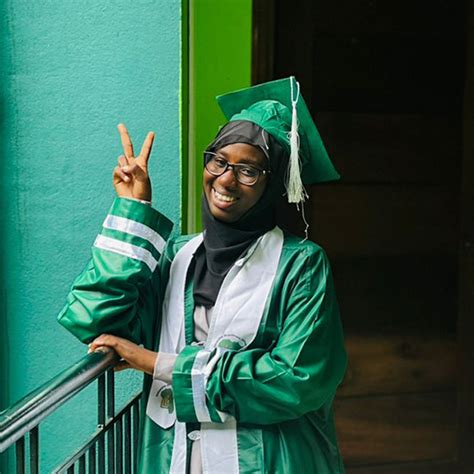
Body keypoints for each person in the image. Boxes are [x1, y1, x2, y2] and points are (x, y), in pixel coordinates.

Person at [58, 77, 348, 473]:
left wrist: (157, 363)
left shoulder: (300, 265)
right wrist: (132, 210)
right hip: (175, 458)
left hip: (270, 462)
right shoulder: (179, 255)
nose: (226, 179)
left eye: (249, 170)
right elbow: (98, 322)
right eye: (219, 160)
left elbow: (297, 379)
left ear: (274, 184)